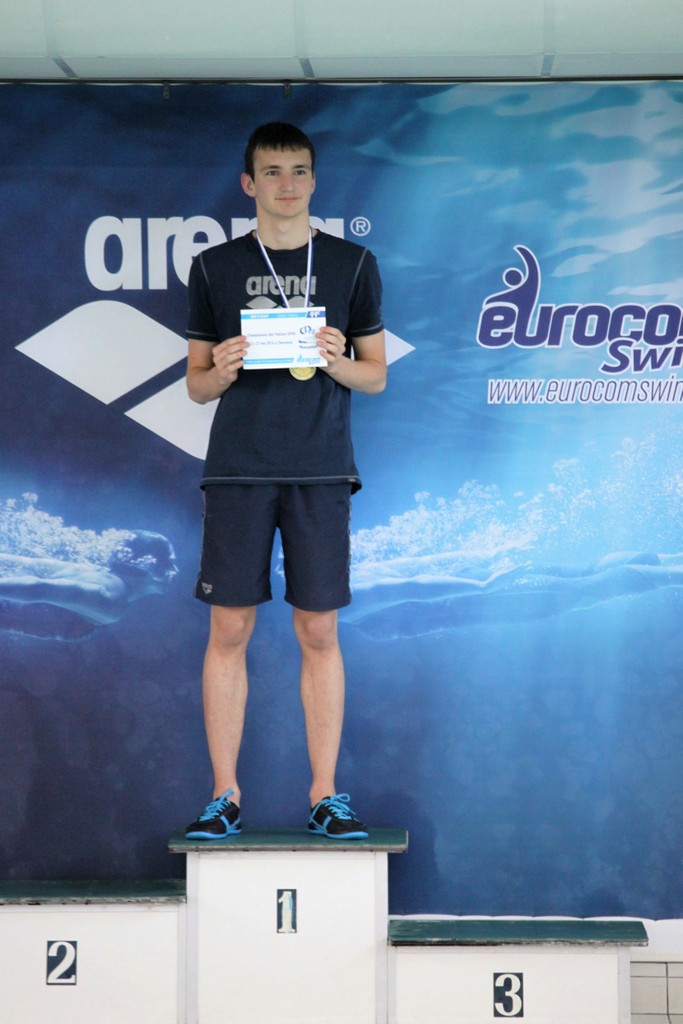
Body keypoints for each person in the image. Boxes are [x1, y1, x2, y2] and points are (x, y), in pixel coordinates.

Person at [184, 122, 386, 840]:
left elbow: (375, 375)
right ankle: (224, 796)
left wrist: (336, 360)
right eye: (271, 172)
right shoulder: (213, 267)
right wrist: (222, 369)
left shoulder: (352, 264)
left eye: (298, 170)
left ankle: (326, 795)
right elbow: (196, 387)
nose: (287, 184)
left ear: (313, 180)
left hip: (320, 467)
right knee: (229, 626)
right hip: (239, 468)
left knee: (318, 629)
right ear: (249, 183)